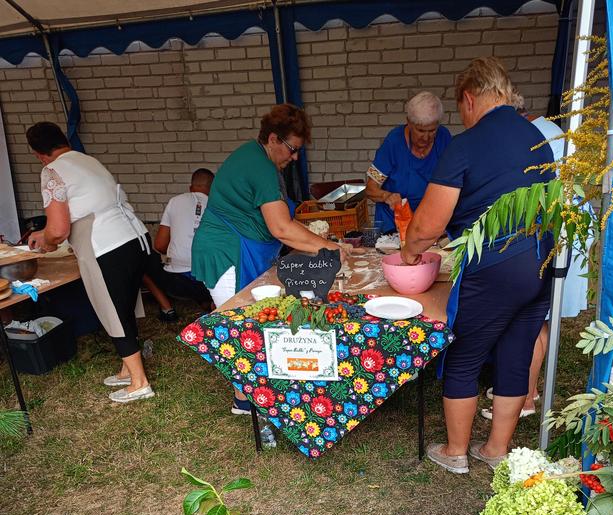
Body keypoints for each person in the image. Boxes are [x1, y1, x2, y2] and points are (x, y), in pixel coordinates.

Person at [400, 58, 555, 474]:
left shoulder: (466, 145)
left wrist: (411, 254)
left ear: (469, 98)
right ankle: (496, 450)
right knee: (516, 350)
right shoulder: (536, 137)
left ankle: (455, 452)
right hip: (542, 260)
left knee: (465, 355)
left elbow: (428, 224)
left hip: (494, 265)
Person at [191, 103, 350, 416]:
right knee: (242, 325)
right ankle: (247, 401)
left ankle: (252, 395)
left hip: (243, 248)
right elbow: (281, 228)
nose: (294, 158)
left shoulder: (258, 159)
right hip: (228, 252)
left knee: (251, 324)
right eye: (292, 149)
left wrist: (318, 243)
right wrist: (327, 248)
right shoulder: (259, 166)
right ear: (274, 138)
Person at [25, 121, 154, 403]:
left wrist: (45, 241)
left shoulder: (52, 170)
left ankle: (138, 382)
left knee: (113, 313)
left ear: (37, 153)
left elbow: (58, 229)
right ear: (62, 140)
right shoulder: (87, 160)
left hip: (106, 245)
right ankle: (126, 369)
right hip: (136, 239)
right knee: (124, 306)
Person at [481, 95, 589, 421]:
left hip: (559, 235)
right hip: (562, 231)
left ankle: (525, 398)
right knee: (538, 318)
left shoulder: (535, 138)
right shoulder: (543, 129)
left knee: (535, 321)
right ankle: (530, 388)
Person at [366, 92, 452, 232]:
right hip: (393, 225)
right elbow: (370, 188)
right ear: (409, 122)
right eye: (420, 130)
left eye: (432, 131)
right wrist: (387, 196)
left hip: (428, 222)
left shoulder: (444, 138)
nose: (426, 137)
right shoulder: (393, 143)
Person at [151, 168, 214, 306]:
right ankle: (209, 302)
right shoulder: (217, 205)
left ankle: (166, 307)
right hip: (208, 282)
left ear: (190, 188)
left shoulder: (175, 201)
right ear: (213, 188)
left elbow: (160, 245)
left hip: (175, 281)